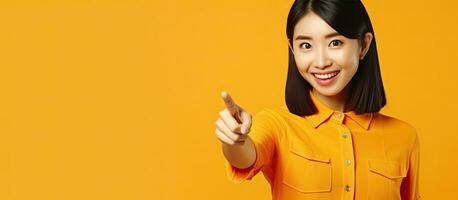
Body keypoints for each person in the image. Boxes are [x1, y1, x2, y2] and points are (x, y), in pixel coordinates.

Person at [214, 0, 420, 199]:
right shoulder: (276, 125)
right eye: (305, 45)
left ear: (363, 46)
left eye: (335, 42)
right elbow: (245, 157)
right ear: (292, 49)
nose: (321, 62)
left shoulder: (404, 137)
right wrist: (235, 141)